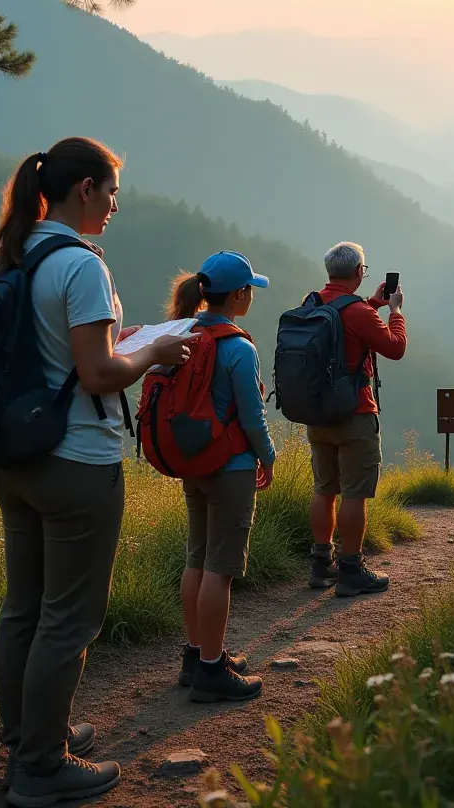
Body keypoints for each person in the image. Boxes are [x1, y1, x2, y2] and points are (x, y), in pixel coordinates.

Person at [0, 138, 199, 808]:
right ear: (84, 190)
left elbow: (64, 351)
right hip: (77, 462)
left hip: (16, 458)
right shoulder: (81, 266)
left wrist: (117, 341)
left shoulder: (18, 254)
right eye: (110, 192)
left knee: (23, 609)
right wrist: (156, 350)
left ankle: (28, 736)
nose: (114, 205)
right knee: (69, 620)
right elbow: (98, 372)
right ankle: (42, 769)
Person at [169, 251, 276, 703]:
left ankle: (196, 657)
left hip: (192, 463)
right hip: (230, 466)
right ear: (238, 295)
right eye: (250, 288)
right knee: (221, 568)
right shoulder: (238, 347)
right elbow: (251, 417)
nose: (251, 294)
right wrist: (267, 457)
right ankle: (213, 670)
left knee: (197, 559)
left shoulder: (183, 333)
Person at [306, 242, 407, 596]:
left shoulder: (312, 304)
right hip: (355, 413)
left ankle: (321, 564)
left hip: (317, 413)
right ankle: (351, 568)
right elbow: (395, 348)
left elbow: (344, 323)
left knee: (324, 489)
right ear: (360, 272)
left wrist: (373, 303)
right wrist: (394, 312)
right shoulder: (360, 312)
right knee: (353, 493)